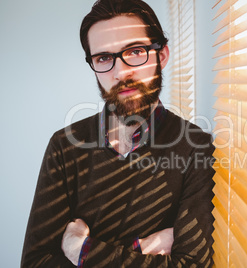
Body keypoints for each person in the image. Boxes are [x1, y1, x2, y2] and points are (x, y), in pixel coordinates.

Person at [21, 0, 215, 267]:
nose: (121, 72)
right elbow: (36, 263)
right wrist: (140, 249)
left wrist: (81, 250)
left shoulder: (195, 147)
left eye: (135, 51)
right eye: (103, 58)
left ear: (162, 56)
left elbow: (193, 265)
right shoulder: (65, 146)